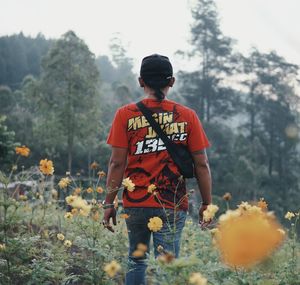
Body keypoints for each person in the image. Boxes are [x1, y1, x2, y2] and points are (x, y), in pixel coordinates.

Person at [103, 54, 212, 285]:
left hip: (136, 203)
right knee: (168, 264)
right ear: (171, 81)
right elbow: (201, 164)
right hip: (171, 203)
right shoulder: (188, 116)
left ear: (141, 81)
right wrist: (206, 204)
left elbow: (116, 164)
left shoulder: (125, 115)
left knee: (137, 260)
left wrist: (108, 202)